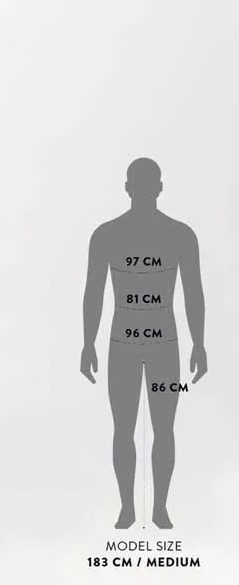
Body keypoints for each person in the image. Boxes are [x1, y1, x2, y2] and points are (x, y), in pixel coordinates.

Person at [80, 157, 208, 528]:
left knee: (159, 429)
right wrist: (88, 343)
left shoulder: (179, 236)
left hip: (157, 342)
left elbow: (193, 292)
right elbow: (94, 292)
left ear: (132, 188)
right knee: (127, 428)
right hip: (131, 342)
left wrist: (199, 343)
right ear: (154, 188)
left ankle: (158, 508)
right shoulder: (107, 235)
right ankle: (129, 508)